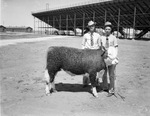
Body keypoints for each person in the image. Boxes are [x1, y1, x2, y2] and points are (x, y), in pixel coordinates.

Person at [101, 21, 119, 97]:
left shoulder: (114, 38)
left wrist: (115, 57)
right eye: (106, 29)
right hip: (103, 58)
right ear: (104, 29)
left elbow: (116, 48)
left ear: (111, 29)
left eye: (109, 29)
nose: (107, 30)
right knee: (103, 74)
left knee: (111, 75)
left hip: (111, 58)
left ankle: (111, 90)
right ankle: (105, 87)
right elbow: (99, 47)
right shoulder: (101, 38)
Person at [82, 20, 101, 86]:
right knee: (86, 68)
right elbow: (83, 45)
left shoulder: (98, 35)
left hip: (95, 53)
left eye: (92, 26)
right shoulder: (85, 35)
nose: (91, 27)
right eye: (90, 26)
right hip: (87, 53)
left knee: (96, 68)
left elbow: (99, 45)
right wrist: (83, 53)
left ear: (94, 26)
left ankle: (97, 81)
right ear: (88, 27)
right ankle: (85, 82)